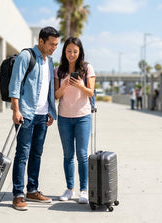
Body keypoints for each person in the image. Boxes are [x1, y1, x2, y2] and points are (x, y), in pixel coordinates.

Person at [8, 26, 59, 211]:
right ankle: (18, 194)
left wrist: (51, 111)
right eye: (52, 44)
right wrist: (15, 110)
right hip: (26, 114)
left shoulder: (50, 61)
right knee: (22, 154)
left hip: (42, 115)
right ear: (41, 41)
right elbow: (14, 84)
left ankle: (32, 189)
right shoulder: (26, 56)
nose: (54, 48)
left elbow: (48, 88)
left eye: (56, 45)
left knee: (36, 153)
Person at [54, 37, 96, 204]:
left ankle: (84, 190)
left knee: (82, 155)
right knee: (68, 155)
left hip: (82, 117)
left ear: (80, 53)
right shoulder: (58, 70)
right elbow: (56, 96)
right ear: (65, 52)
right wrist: (64, 85)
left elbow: (90, 93)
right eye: (69, 51)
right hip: (64, 117)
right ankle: (69, 189)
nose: (72, 54)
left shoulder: (87, 68)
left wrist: (79, 85)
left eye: (75, 51)